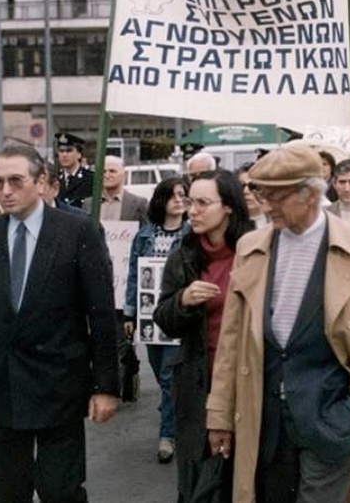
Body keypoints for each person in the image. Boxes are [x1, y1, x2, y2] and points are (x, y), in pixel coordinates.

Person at [205, 146, 350, 503]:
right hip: (263, 424)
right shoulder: (249, 246)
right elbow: (231, 341)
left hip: (331, 421)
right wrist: (219, 414)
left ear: (310, 194)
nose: (265, 205)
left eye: (276, 196)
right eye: (261, 194)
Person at [0, 145, 119, 503]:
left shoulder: (78, 232)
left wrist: (106, 385)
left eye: (16, 180)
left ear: (42, 182)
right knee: (6, 493)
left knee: (60, 491)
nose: (5, 190)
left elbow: (102, 313)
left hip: (59, 386)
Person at [153, 170, 254, 502]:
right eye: (188, 202)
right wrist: (183, 300)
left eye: (201, 202)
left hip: (248, 380)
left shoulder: (254, 250)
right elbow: (163, 319)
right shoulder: (184, 255)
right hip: (198, 381)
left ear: (228, 207)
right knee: (201, 478)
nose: (191, 210)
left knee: (245, 472)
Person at [123, 176, 190, 464]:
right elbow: (134, 276)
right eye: (173, 195)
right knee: (159, 369)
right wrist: (130, 313)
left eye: (183, 195)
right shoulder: (145, 235)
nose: (179, 200)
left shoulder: (191, 235)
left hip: (177, 315)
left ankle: (168, 435)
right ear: (161, 200)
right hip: (149, 318)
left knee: (167, 376)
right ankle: (174, 416)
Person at [83, 155, 149, 402]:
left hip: (124, 277)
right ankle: (105, 381)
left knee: (123, 334)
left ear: (123, 174)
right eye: (104, 170)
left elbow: (145, 236)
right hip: (98, 276)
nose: (108, 174)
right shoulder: (89, 205)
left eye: (113, 170)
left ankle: (126, 375)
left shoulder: (138, 203)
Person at [55, 132, 95, 209]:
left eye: (69, 151)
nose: (64, 155)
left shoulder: (90, 178)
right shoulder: (55, 178)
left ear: (79, 154)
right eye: (61, 151)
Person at [236, 162, 269, 228]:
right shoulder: (229, 227)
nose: (246, 191)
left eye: (253, 186)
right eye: (241, 186)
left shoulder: (278, 225)